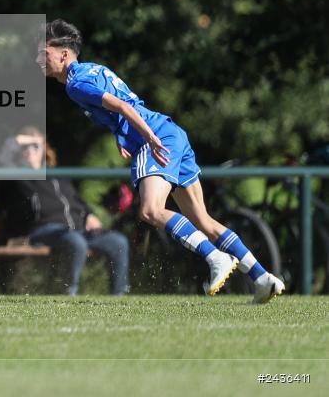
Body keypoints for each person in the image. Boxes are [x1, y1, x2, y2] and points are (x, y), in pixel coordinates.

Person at [38, 19, 284, 304]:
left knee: (150, 210)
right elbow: (123, 103)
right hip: (172, 133)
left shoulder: (75, 84)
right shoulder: (93, 69)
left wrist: (149, 138)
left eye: (44, 53)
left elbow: (123, 106)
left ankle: (216, 258)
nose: (38, 60)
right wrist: (122, 135)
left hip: (156, 138)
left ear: (63, 54)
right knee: (203, 220)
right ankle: (262, 278)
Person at [0, 126, 129, 296]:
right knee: (76, 241)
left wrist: (89, 215)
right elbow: (2, 155)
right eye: (25, 147)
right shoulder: (19, 175)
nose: (30, 150)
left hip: (76, 230)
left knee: (118, 241)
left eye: (35, 146)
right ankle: (69, 291)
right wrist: (28, 139)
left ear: (43, 148)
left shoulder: (58, 174)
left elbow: (76, 200)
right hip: (44, 229)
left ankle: (119, 294)